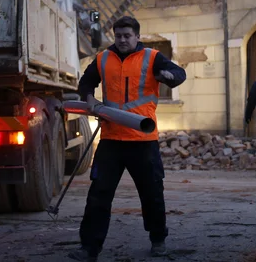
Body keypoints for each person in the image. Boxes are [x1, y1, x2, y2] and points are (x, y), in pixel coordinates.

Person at [69, 16, 186, 262]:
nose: (122, 40)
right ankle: (89, 247)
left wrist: (168, 76)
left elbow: (179, 73)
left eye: (127, 36)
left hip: (142, 140)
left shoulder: (152, 58)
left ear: (137, 37)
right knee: (99, 195)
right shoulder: (102, 59)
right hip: (111, 139)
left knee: (152, 193)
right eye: (119, 35)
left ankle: (158, 240)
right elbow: (86, 83)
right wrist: (91, 102)